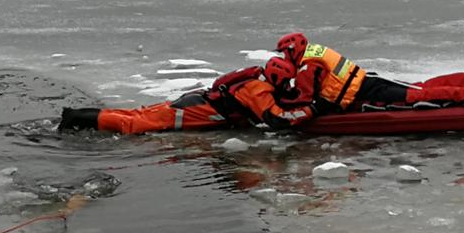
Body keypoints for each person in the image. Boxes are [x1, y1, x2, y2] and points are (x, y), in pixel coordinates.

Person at [60, 57, 312, 134]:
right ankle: (76, 118)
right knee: (134, 124)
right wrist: (313, 110)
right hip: (192, 111)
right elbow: (276, 119)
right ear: (278, 76)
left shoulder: (257, 78)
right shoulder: (259, 91)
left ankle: (79, 117)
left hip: (195, 102)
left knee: (137, 115)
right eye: (287, 80)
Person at [273, 32, 464, 113]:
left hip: (365, 94)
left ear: (293, 50)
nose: (284, 58)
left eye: (285, 53)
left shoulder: (306, 66)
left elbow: (306, 98)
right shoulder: (315, 52)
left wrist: (280, 102)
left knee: (416, 95)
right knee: (419, 86)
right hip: (366, 80)